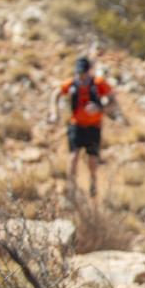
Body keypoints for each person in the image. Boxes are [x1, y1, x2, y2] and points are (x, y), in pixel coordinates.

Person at [48, 55, 127, 198]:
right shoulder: (71, 84)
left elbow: (113, 102)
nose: (81, 76)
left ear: (89, 71)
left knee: (92, 159)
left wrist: (99, 108)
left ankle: (93, 181)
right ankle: (71, 187)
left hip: (94, 126)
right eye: (79, 73)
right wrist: (54, 113)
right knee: (73, 156)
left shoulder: (98, 84)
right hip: (76, 125)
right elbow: (56, 94)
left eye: (83, 73)